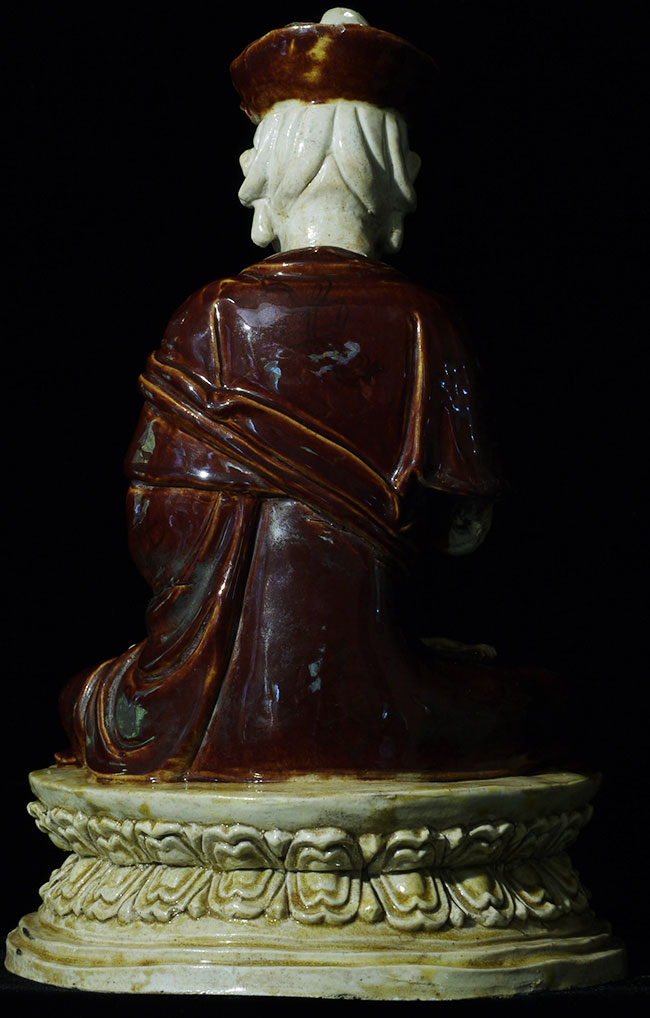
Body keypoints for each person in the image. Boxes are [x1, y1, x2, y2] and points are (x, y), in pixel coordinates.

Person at [58, 12, 563, 781]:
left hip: (202, 700)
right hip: (389, 704)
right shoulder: (424, 321)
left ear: (261, 180)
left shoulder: (211, 315)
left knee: (87, 702)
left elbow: (154, 527)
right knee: (539, 706)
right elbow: (463, 530)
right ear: (399, 181)